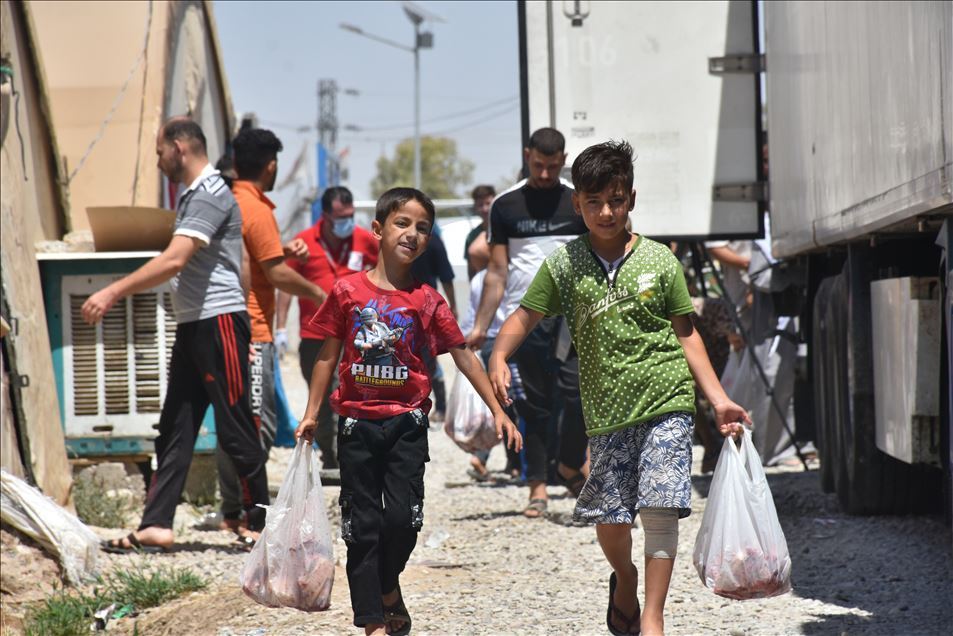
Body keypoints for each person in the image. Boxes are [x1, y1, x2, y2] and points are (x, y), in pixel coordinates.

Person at [489, 140, 749, 635]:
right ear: (578, 205)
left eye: (615, 199)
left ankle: (653, 616)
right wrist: (500, 354)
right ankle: (624, 577)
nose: (606, 212)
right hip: (607, 411)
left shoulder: (660, 261)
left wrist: (717, 400)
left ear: (631, 198)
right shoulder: (565, 265)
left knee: (659, 505)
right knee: (611, 515)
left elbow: (686, 333)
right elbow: (525, 314)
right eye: (594, 202)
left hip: (667, 401)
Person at [295, 187, 522, 636]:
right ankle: (374, 622)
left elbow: (461, 355)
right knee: (363, 525)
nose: (412, 234)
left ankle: (386, 587)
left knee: (402, 519)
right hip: (357, 423)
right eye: (402, 223)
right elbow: (327, 354)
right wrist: (311, 413)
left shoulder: (427, 300)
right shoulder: (347, 291)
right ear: (377, 230)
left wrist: (498, 409)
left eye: (423, 228)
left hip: (407, 424)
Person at [84, 117, 270, 551]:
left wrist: (112, 291)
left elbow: (175, 260)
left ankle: (261, 522)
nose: (158, 161)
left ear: (180, 148)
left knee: (235, 421)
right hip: (195, 323)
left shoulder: (208, 194)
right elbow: (235, 264)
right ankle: (156, 524)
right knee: (176, 425)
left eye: (159, 152)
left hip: (218, 320)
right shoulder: (194, 195)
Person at [210, 128, 327, 543]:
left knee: (236, 421)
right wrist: (319, 292)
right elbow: (275, 274)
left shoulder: (228, 202)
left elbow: (263, 261)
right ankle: (247, 514)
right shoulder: (255, 210)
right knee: (256, 424)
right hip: (251, 331)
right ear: (271, 165)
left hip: (230, 328)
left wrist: (283, 251)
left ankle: (232, 510)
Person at [467, 127, 589, 517]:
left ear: (563, 160)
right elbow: (497, 272)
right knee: (533, 406)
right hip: (525, 319)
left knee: (577, 398)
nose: (545, 174)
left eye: (553, 166)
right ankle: (537, 485)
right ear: (527, 156)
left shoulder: (577, 201)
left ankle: (570, 463)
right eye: (539, 165)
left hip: (574, 319)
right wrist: (482, 326)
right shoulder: (507, 205)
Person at [275, 186, 378, 468]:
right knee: (320, 398)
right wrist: (281, 326)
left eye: (351, 215)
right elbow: (285, 286)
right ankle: (332, 458)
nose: (347, 221)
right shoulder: (304, 242)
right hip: (315, 337)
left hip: (357, 337)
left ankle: (350, 455)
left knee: (351, 394)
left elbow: (385, 271)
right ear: (325, 215)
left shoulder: (364, 240)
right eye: (340, 216)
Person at [410, 228, 456, 421]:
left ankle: (440, 406)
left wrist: (452, 306)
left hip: (425, 311)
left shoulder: (433, 242)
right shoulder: (431, 239)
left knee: (429, 360)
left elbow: (446, 275)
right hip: (403, 308)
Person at [464, 184, 495, 279]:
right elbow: (471, 270)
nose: (485, 209)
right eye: (480, 205)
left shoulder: (507, 230)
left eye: (488, 203)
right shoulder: (472, 236)